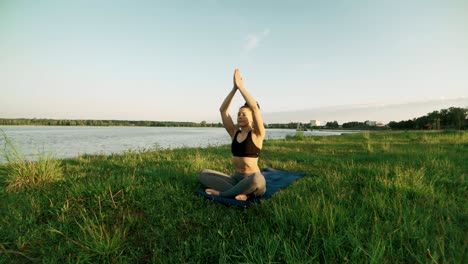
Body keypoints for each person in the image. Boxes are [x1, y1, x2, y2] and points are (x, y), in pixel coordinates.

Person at [198, 68, 266, 201]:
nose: (240, 116)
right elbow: (223, 110)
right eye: (238, 114)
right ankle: (242, 194)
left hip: (251, 178)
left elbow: (254, 108)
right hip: (236, 179)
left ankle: (223, 194)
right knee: (203, 174)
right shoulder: (234, 132)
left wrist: (241, 87)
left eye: (244, 115)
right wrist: (234, 89)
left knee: (258, 179)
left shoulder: (258, 134)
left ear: (252, 118)